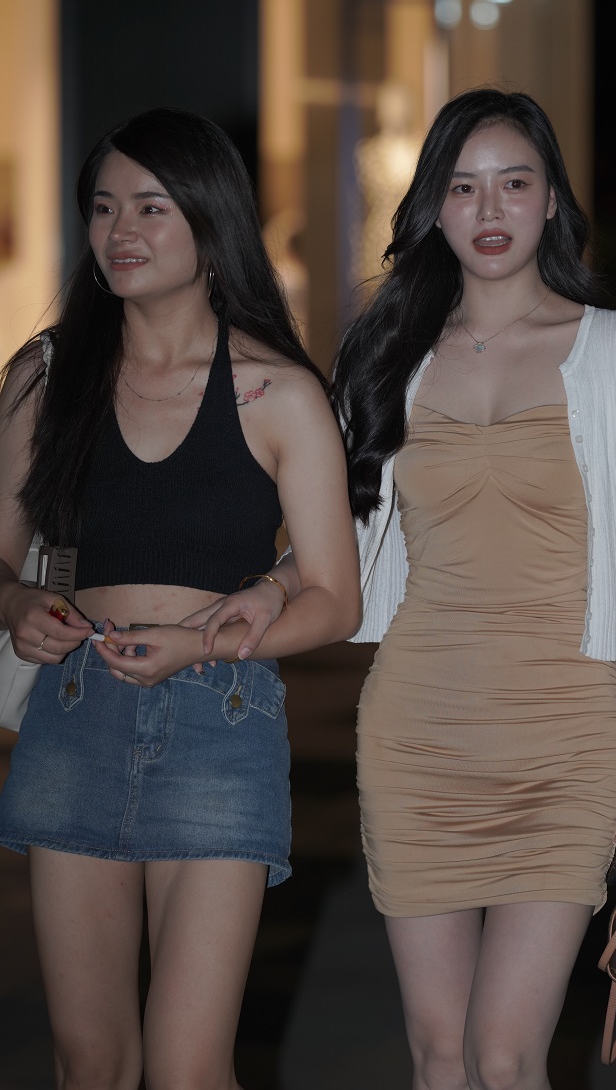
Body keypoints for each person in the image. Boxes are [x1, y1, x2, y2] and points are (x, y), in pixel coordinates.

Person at [190, 88, 616, 1090]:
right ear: (432, 207)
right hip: (418, 733)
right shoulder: (390, 355)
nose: (489, 208)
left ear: (551, 201)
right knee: (437, 1055)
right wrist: (271, 590)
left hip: (565, 736)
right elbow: (344, 533)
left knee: (503, 1055)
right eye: (463, 187)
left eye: (514, 182)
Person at [0, 108, 360, 1090]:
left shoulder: (276, 392)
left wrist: (202, 647)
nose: (121, 229)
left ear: (210, 220)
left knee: (188, 1068)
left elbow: (334, 598)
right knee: (90, 1063)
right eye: (104, 206)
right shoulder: (44, 377)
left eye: (151, 207)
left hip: (219, 722)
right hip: (73, 714)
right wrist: (16, 606)